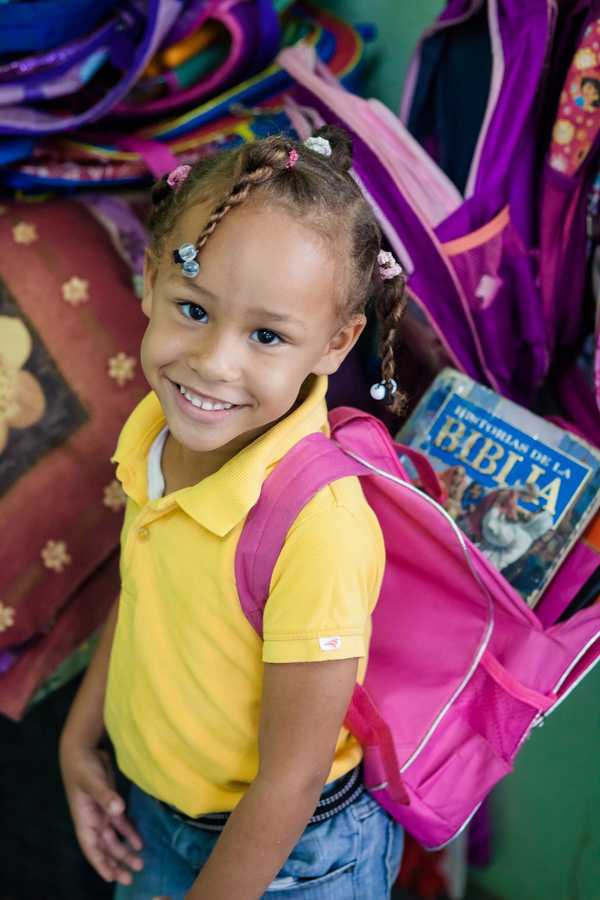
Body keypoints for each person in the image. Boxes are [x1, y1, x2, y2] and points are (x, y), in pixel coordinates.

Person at [59, 126, 407, 900]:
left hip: (295, 858)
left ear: (336, 342)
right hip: (156, 809)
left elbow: (290, 780)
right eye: (191, 308)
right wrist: (79, 737)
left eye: (266, 335)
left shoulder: (319, 528)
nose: (214, 363)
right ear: (150, 282)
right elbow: (151, 592)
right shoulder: (153, 429)